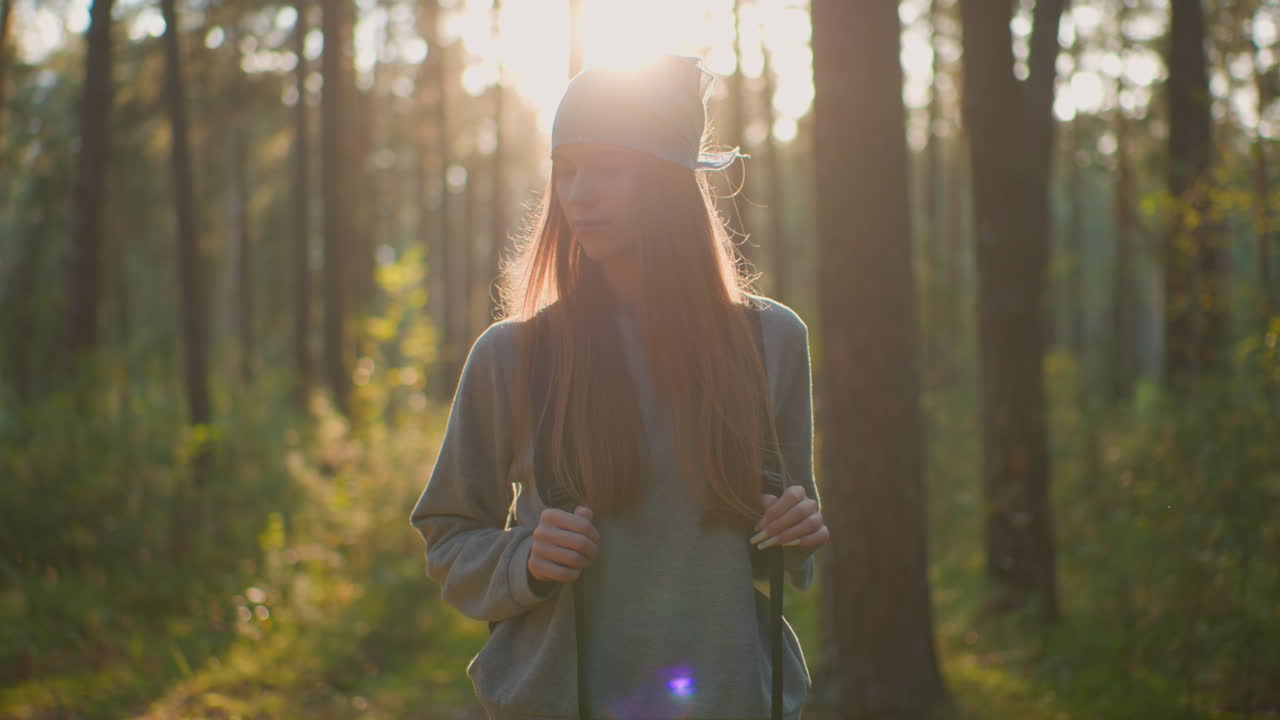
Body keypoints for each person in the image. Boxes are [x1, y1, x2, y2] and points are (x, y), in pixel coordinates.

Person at [410, 54, 828, 720]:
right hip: (562, 701)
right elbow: (448, 535)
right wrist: (526, 559)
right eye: (566, 172)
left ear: (667, 185)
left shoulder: (771, 342)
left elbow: (786, 546)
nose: (579, 194)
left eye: (608, 171)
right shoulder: (513, 356)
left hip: (729, 699)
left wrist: (796, 526)